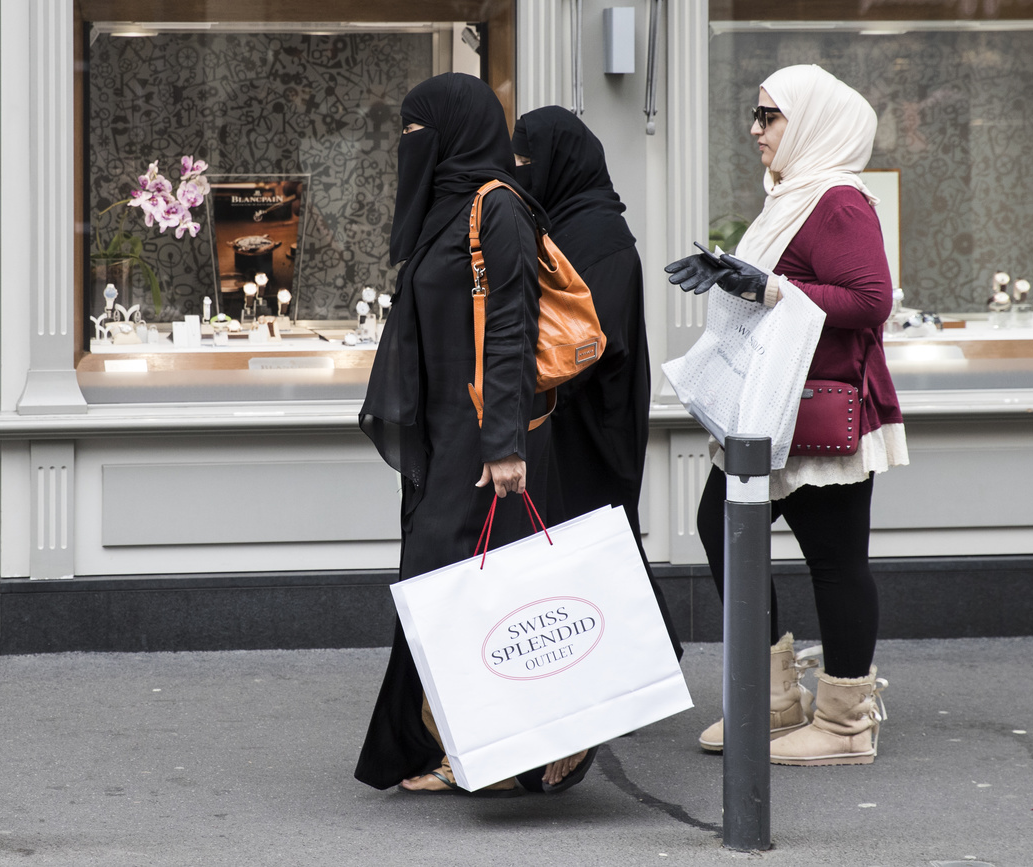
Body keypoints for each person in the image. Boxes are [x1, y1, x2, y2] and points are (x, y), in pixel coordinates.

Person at [354, 73, 593, 795]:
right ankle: (438, 743)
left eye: (415, 129)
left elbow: (514, 330)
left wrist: (505, 444)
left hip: (484, 437)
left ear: (454, 131)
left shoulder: (500, 210)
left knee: (458, 584)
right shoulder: (447, 209)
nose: (406, 144)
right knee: (444, 585)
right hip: (444, 433)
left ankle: (534, 744)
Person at [665, 64, 908, 766]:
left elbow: (870, 301)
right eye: (756, 113)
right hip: (774, 406)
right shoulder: (795, 196)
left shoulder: (838, 199)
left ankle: (844, 724)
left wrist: (769, 285)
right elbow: (792, 287)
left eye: (768, 116)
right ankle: (770, 701)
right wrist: (731, 273)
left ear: (808, 123)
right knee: (721, 524)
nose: (754, 129)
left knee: (835, 561)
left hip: (820, 411)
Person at [510, 106, 682, 659]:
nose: (520, 170)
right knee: (588, 539)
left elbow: (595, 339)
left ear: (561, 163)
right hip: (571, 411)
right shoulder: (564, 224)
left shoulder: (601, 236)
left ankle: (645, 660)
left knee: (598, 535)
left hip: (594, 416)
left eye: (528, 159)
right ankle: (629, 664)